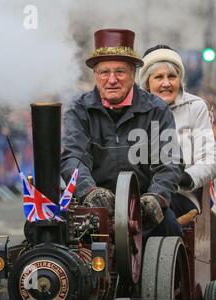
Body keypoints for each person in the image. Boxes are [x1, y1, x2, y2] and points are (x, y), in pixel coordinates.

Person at [61, 29, 184, 237]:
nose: (112, 80)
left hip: (143, 209)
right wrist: (89, 192)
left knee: (170, 230)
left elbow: (170, 161)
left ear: (133, 74)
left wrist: (156, 197)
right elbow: (73, 157)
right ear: (95, 75)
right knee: (52, 232)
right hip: (93, 207)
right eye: (104, 72)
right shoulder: (78, 109)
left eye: (120, 72)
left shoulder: (157, 109)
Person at [138, 45, 216, 222]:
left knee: (156, 214)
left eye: (172, 77)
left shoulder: (196, 107)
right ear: (146, 83)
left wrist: (184, 177)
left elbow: (209, 161)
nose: (166, 83)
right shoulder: (135, 109)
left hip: (182, 194)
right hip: (139, 194)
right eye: (158, 77)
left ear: (179, 80)